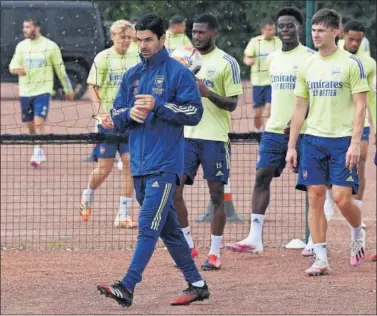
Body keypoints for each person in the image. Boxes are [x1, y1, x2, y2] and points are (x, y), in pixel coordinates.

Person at [96, 13, 209, 307]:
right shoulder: (132, 75)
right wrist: (127, 115)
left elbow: (194, 113)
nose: (142, 45)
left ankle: (128, 285)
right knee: (169, 229)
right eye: (139, 40)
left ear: (162, 39)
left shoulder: (178, 73)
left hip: (166, 164)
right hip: (140, 166)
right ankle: (197, 284)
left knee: (148, 223)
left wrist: (159, 106)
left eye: (148, 40)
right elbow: (115, 115)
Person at [285, 8, 369, 276]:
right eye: (313, 30)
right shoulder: (307, 65)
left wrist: (356, 142)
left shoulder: (350, 64)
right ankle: (321, 257)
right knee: (315, 196)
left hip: (343, 140)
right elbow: (299, 107)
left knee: (344, 199)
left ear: (336, 32)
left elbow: (360, 106)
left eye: (321, 30)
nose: (316, 35)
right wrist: (291, 145)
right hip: (313, 140)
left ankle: (358, 229)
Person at [225, 7, 314, 254]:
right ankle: (255, 238)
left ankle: (316, 241)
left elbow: (314, 97)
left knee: (313, 185)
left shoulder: (309, 57)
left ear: (299, 27)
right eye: (281, 25)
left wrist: (299, 119)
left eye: (290, 25)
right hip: (274, 130)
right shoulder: (272, 58)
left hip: (305, 130)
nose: (285, 29)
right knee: (262, 175)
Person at [173, 13, 242, 271]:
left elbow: (233, 104)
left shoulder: (228, 63)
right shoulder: (185, 61)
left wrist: (207, 92)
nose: (197, 36)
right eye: (194, 31)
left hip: (214, 138)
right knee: (174, 191)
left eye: (202, 32)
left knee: (216, 196)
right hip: (187, 138)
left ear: (214, 33)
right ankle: (188, 245)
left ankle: (214, 253)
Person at [302, 20, 376, 256]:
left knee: (361, 161)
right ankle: (320, 251)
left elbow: (366, 101)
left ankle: (355, 206)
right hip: (321, 134)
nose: (354, 43)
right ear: (342, 36)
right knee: (318, 192)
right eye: (351, 39)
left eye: (358, 39)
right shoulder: (317, 61)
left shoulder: (365, 63)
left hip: (357, 124)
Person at [79, 20, 140, 228]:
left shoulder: (137, 56)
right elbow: (93, 89)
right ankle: (88, 193)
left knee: (130, 164)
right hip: (108, 122)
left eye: (129, 38)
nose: (126, 42)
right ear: (113, 37)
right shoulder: (103, 58)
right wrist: (100, 113)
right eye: (122, 37)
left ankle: (122, 215)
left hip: (130, 120)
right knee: (104, 168)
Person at [9, 18, 74, 167]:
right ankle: (37, 146)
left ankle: (38, 150)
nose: (24, 30)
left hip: (43, 91)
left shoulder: (50, 46)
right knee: (29, 123)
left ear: (36, 28)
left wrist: (68, 89)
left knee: (39, 122)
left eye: (28, 27)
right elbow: (12, 65)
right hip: (25, 91)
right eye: (23, 27)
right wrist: (16, 69)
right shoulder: (21, 46)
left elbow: (61, 69)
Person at [244, 20, 282, 133]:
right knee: (257, 113)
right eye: (269, 29)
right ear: (263, 30)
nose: (272, 32)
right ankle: (258, 131)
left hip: (273, 82)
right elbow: (246, 58)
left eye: (273, 29)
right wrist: (249, 61)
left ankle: (269, 133)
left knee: (270, 108)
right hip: (258, 82)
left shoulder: (279, 42)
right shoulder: (255, 42)